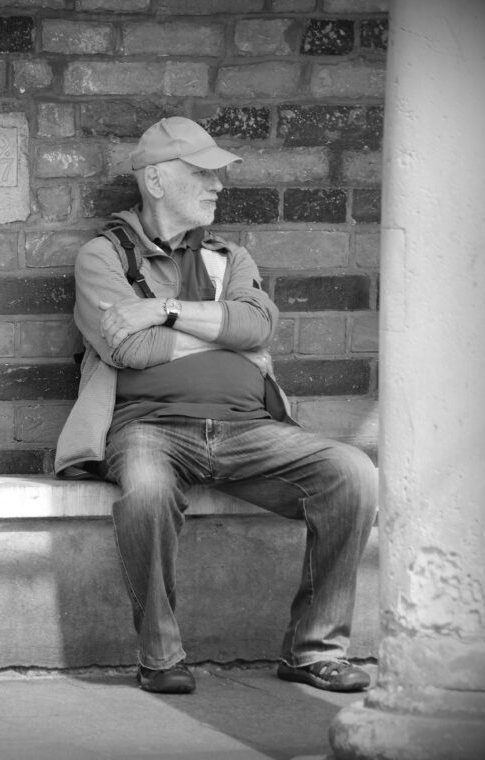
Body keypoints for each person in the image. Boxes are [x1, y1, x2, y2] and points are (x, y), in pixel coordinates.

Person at [55, 117, 377, 695]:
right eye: (202, 173)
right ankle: (160, 657)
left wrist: (164, 310)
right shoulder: (103, 257)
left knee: (352, 473)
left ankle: (314, 650)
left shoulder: (231, 256)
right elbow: (129, 348)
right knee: (147, 492)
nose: (218, 185)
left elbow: (259, 326)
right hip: (148, 427)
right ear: (156, 181)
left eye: (217, 174)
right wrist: (223, 333)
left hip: (250, 429)